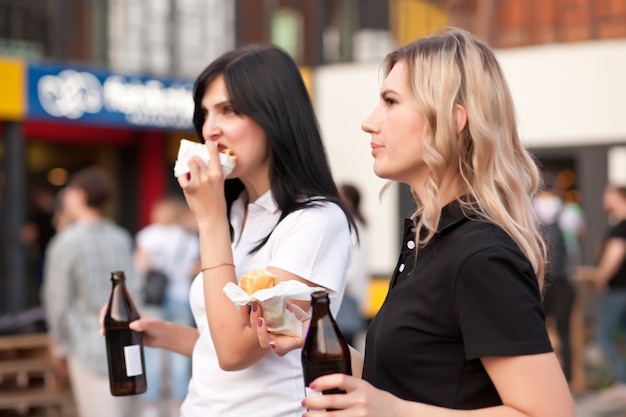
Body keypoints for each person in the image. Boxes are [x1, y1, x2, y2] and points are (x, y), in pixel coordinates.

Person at [250, 28, 575, 416]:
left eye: (390, 101)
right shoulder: (431, 240)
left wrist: (391, 411)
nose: (369, 122)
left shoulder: (480, 254)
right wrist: (306, 333)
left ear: (453, 120)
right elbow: (412, 381)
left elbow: (549, 412)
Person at [105, 45, 355, 417]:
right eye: (205, 113)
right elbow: (230, 350)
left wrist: (209, 220)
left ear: (276, 117)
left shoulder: (316, 221)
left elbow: (236, 352)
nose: (210, 130)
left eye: (229, 110)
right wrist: (166, 334)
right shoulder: (239, 211)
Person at [42, 166, 140, 417]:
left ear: (79, 195)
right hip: (126, 345)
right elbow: (136, 292)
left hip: (85, 344)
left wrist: (60, 345)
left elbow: (57, 301)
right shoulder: (121, 237)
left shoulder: (66, 242)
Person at [134, 196, 200, 417]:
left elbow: (141, 266)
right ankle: (177, 402)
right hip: (181, 296)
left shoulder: (149, 235)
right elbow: (196, 269)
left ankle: (150, 404)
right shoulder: (188, 238)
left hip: (155, 298)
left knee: (152, 350)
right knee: (180, 352)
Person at [532, 171, 577, 383]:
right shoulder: (567, 212)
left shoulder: (528, 210)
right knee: (565, 334)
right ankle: (567, 381)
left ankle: (542, 381)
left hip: (536, 281)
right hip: (561, 281)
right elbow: (573, 245)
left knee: (536, 334)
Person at [592, 184, 626, 399]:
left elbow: (616, 253)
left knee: (603, 335)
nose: (605, 198)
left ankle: (622, 381)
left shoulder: (621, 226)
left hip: (617, 290)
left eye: (608, 194)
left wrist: (601, 276)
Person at [335, 183, 369, 346]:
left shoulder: (352, 227)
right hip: (350, 300)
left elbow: (351, 273)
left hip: (346, 300)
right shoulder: (356, 226)